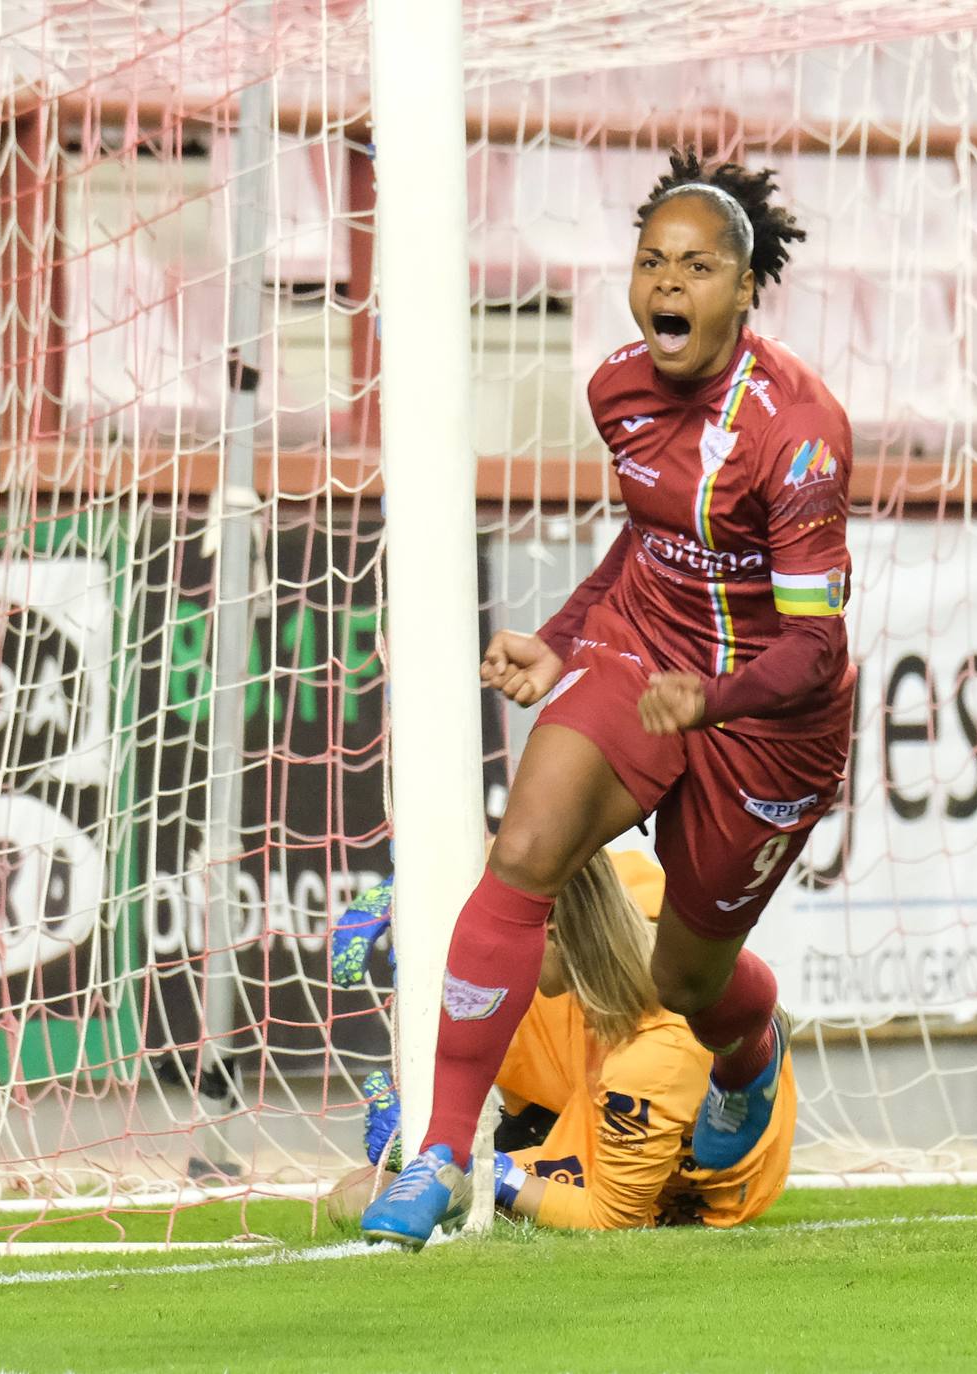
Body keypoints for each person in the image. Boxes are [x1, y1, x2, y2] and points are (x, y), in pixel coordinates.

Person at [361, 148, 852, 1248]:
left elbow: (817, 651)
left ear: (743, 286)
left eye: (695, 266)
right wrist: (564, 638)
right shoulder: (617, 390)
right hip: (642, 655)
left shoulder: (799, 433)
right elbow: (649, 536)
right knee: (525, 849)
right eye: (650, 262)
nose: (668, 284)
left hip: (766, 725)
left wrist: (714, 702)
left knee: (685, 978)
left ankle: (751, 1048)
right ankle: (440, 1151)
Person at [346, 851, 796, 1236]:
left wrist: (487, 1170)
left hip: (674, 1186)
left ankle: (749, 1057)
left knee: (361, 1194)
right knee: (490, 978)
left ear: (557, 932)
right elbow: (540, 859)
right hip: (598, 1065)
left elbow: (612, 1216)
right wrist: (422, 881)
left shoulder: (654, 1055)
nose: (498, 951)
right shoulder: (605, 908)